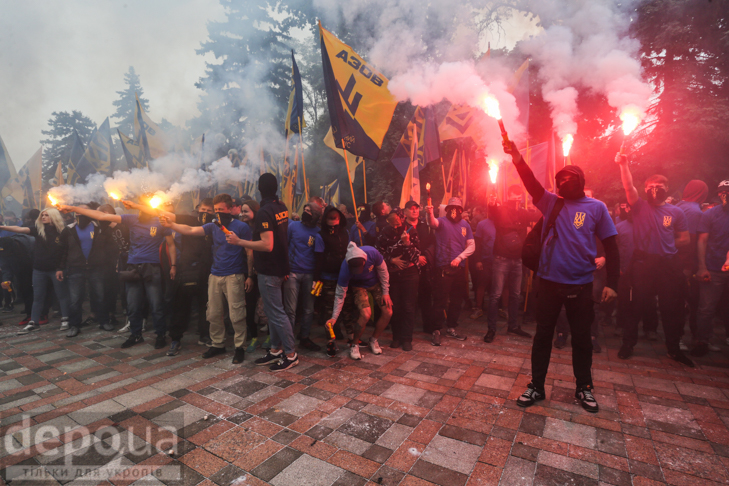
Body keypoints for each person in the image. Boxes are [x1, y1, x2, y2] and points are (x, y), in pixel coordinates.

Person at [504, 141, 619, 413]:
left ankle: (584, 388)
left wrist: (614, 284)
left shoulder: (597, 207)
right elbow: (531, 182)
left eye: (570, 179)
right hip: (549, 282)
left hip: (581, 284)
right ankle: (537, 386)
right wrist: (517, 157)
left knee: (581, 338)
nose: (564, 182)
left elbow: (612, 245)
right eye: (560, 179)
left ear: (581, 181)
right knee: (542, 335)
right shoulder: (552, 203)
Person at [62, 199, 175, 349]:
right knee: (133, 305)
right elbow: (101, 216)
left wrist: (173, 265)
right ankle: (136, 335)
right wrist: (73, 208)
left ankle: (160, 335)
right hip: (132, 267)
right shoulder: (132, 218)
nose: (141, 211)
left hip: (152, 268)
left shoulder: (162, 220)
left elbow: (171, 244)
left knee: (156, 305)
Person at [615, 154, 693, 366]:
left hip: (668, 265)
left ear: (667, 188)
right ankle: (628, 344)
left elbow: (684, 239)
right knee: (635, 306)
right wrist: (624, 164)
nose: (654, 189)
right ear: (646, 188)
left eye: (659, 185)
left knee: (672, 307)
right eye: (650, 186)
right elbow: (628, 185)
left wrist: (666, 245)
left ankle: (674, 349)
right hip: (642, 264)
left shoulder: (676, 212)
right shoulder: (639, 206)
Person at [162, 194, 250, 362]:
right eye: (216, 210)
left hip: (234, 275)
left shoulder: (241, 227)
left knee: (236, 314)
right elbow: (190, 230)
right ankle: (218, 344)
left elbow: (249, 252)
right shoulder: (213, 225)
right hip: (215, 274)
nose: (218, 213)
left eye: (221, 209)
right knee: (213, 313)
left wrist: (250, 275)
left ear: (230, 209)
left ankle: (240, 347)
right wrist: (172, 224)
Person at [226, 174, 297, 372]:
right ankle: (275, 350)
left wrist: (239, 241)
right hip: (280, 266)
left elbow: (267, 244)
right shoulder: (281, 207)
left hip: (269, 268)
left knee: (276, 313)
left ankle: (291, 354)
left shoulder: (265, 211)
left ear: (259, 189)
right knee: (274, 313)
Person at [4, 208, 70, 334]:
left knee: (62, 295)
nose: (43, 217)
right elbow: (20, 229)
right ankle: (34, 322)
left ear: (53, 216)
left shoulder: (62, 231)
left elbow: (65, 252)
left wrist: (61, 268)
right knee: (38, 296)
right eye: (42, 215)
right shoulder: (38, 229)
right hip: (39, 269)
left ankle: (66, 318)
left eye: (46, 215)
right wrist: (2, 227)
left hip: (56, 269)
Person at [484, 186, 536, 342]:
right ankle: (491, 329)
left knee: (515, 295)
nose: (517, 199)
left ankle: (513, 326)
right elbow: (493, 211)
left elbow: (540, 214)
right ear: (508, 196)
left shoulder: (524, 212)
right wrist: (492, 203)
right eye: (514, 196)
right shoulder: (500, 211)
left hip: (518, 260)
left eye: (519, 196)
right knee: (495, 295)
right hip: (501, 259)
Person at [325, 242, 393, 359]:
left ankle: (373, 340)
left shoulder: (372, 253)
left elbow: (383, 271)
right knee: (366, 314)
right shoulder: (345, 269)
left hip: (375, 283)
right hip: (359, 286)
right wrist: (334, 317)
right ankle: (355, 344)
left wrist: (386, 292)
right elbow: (340, 295)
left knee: (388, 311)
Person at [59, 204, 114, 337]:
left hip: (96, 268)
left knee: (100, 297)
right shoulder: (68, 230)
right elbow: (62, 251)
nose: (79, 215)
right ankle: (74, 325)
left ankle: (104, 321)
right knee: (75, 299)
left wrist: (105, 263)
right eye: (77, 212)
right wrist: (59, 268)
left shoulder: (100, 227)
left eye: (82, 211)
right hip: (75, 268)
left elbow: (109, 247)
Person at [426, 197, 474, 345]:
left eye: (457, 208)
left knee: (456, 300)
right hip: (443, 267)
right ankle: (436, 330)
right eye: (451, 208)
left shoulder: (465, 225)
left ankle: (451, 327)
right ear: (447, 210)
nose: (454, 211)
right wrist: (430, 212)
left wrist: (459, 258)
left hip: (458, 268)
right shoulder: (441, 221)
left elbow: (471, 246)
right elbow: (432, 223)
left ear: (461, 210)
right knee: (440, 300)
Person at [376, 207, 420, 351]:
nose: (395, 226)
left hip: (410, 274)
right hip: (393, 274)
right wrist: (391, 260)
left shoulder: (411, 231)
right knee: (395, 306)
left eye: (397, 222)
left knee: (408, 306)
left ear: (402, 218)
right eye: (392, 222)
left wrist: (407, 243)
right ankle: (396, 337)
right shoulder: (384, 232)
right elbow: (378, 253)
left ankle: (407, 338)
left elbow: (416, 256)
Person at [693, 180, 729, 356]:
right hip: (714, 268)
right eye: (725, 193)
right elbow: (702, 241)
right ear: (721, 194)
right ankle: (702, 341)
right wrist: (702, 267)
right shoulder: (710, 215)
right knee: (706, 308)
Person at [284, 203, 324, 351]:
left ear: (316, 216)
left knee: (309, 309)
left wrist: (317, 278)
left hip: (310, 274)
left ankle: (305, 338)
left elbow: (319, 255)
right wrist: (284, 269)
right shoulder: (293, 226)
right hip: (292, 272)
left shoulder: (318, 232)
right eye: (305, 210)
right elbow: (285, 245)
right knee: (291, 309)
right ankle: (288, 339)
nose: (305, 213)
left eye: (309, 211)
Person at [676, 180, 709, 348]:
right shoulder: (695, 211)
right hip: (686, 264)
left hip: (674, 261)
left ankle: (677, 337)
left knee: (678, 301)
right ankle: (680, 339)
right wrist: (690, 267)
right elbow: (690, 241)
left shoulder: (679, 205)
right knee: (687, 302)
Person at [316, 205, 352, 339]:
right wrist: (317, 278)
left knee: (346, 305)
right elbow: (318, 258)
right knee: (329, 307)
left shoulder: (345, 232)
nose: (333, 221)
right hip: (328, 276)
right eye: (330, 218)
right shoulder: (320, 235)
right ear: (325, 220)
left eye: (335, 218)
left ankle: (348, 333)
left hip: (344, 276)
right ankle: (331, 335)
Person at [403, 201, 435, 333]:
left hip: (424, 266)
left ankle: (428, 325)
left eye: (416, 208)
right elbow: (400, 246)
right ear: (405, 211)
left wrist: (426, 256)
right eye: (411, 209)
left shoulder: (425, 225)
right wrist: (417, 257)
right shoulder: (402, 227)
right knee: (408, 299)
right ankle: (406, 328)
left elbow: (432, 242)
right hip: (408, 267)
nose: (415, 211)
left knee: (426, 296)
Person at [239, 200, 264, 353]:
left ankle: (269, 337)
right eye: (242, 211)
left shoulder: (261, 228)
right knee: (249, 306)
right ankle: (254, 337)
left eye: (246, 211)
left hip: (260, 272)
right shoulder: (241, 228)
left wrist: (251, 275)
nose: (242, 214)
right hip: (246, 273)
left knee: (265, 308)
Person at [472, 207, 495, 321]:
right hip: (485, 260)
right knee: (481, 284)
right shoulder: (482, 224)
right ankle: (478, 308)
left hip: (499, 260)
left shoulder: (503, 224)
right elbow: (478, 243)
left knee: (501, 286)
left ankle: (500, 309)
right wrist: (478, 260)